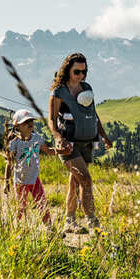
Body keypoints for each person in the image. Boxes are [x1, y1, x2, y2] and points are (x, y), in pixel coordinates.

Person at [48, 53, 112, 234]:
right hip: (69, 144)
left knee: (75, 183)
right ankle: (93, 222)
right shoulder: (59, 92)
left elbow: (93, 113)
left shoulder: (86, 87)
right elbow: (51, 120)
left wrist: (104, 135)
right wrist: (59, 139)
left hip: (88, 142)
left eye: (84, 72)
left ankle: (69, 221)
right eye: (77, 71)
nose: (81, 76)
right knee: (86, 180)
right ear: (67, 69)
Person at [3, 109, 66, 226]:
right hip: (20, 181)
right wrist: (6, 182)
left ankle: (50, 228)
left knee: (42, 203)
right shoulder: (14, 142)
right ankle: (16, 228)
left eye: (31, 121)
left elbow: (48, 151)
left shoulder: (37, 138)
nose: (30, 123)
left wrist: (62, 151)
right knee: (20, 207)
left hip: (34, 179)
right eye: (26, 122)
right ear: (17, 126)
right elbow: (9, 163)